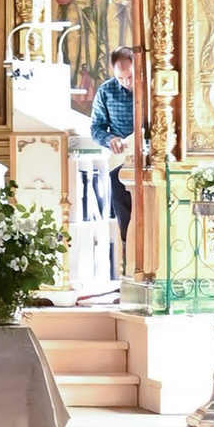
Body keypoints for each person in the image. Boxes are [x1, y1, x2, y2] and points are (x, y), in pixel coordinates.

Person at [90, 41, 139, 264]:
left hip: (148, 157)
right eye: (121, 78)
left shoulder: (147, 89)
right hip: (120, 162)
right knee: (125, 213)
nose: (127, 83)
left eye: (130, 77)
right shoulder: (106, 91)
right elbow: (96, 128)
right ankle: (128, 260)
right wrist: (111, 139)